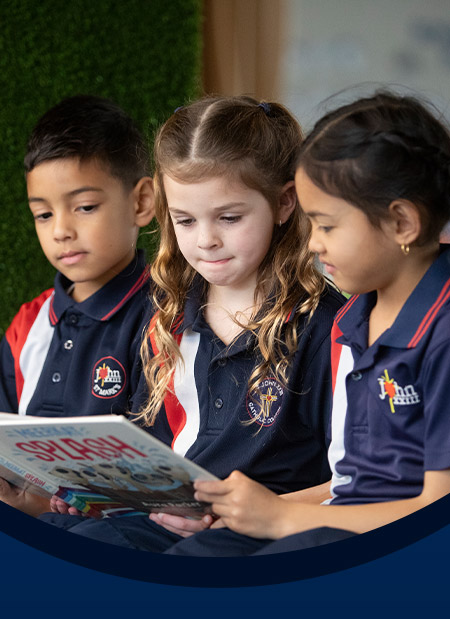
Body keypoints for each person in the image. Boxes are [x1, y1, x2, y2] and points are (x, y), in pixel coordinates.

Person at [40, 94, 344, 551]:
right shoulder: (168, 314)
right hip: (165, 520)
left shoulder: (325, 327)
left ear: (283, 203)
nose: (206, 241)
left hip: (253, 534)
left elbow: (348, 482)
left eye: (229, 217)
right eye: (184, 220)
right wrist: (100, 492)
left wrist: (256, 514)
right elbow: (155, 455)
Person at [186, 90, 450, 555]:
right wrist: (250, 511)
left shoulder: (441, 330)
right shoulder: (352, 319)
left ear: (403, 223)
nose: (313, 244)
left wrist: (284, 517)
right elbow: (348, 483)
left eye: (326, 226)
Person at [0, 94, 155, 514]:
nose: (61, 231)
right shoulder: (27, 324)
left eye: (84, 207)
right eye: (43, 215)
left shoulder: (167, 319)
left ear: (141, 202)